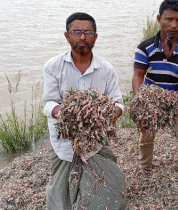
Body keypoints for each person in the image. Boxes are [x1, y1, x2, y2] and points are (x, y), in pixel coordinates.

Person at [43, 12, 126, 209]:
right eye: (76, 32)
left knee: (110, 186)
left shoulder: (106, 69)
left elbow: (119, 104)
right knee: (61, 190)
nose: (82, 37)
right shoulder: (52, 67)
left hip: (95, 141)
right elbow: (48, 104)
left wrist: (104, 116)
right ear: (67, 35)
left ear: (95, 36)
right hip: (63, 139)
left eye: (88, 32)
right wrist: (65, 113)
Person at [132, 0, 178, 175]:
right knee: (146, 139)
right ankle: (145, 167)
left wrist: (176, 102)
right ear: (159, 18)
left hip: (176, 98)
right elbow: (138, 75)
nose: (174, 25)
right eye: (169, 19)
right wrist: (142, 100)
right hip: (150, 99)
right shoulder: (145, 46)